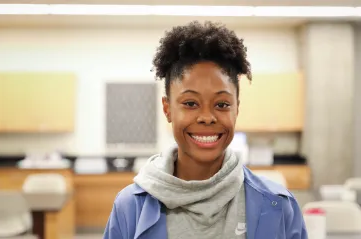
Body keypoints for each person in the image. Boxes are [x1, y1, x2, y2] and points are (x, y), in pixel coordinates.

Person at [103, 21, 307, 239]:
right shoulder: (130, 208)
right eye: (190, 103)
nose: (207, 118)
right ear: (167, 109)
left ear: (237, 108)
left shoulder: (279, 206)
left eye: (222, 104)